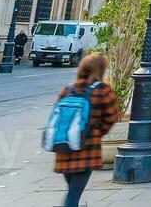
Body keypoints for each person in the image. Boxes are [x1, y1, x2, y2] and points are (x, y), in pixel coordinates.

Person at [51, 53, 118, 207]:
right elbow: (112, 116)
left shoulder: (68, 90)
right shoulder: (103, 90)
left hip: (64, 146)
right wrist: (97, 132)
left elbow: (57, 115)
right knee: (73, 196)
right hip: (86, 149)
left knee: (72, 191)